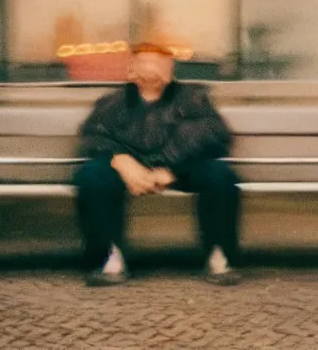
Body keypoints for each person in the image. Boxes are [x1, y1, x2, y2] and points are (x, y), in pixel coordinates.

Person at [74, 41, 241, 286]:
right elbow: (93, 136)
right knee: (91, 176)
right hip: (130, 171)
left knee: (220, 175)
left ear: (171, 70)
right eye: (145, 63)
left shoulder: (193, 98)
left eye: (159, 64)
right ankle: (108, 257)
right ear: (131, 70)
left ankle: (219, 255)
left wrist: (173, 168)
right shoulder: (112, 102)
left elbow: (214, 133)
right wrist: (120, 160)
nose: (151, 69)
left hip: (181, 168)